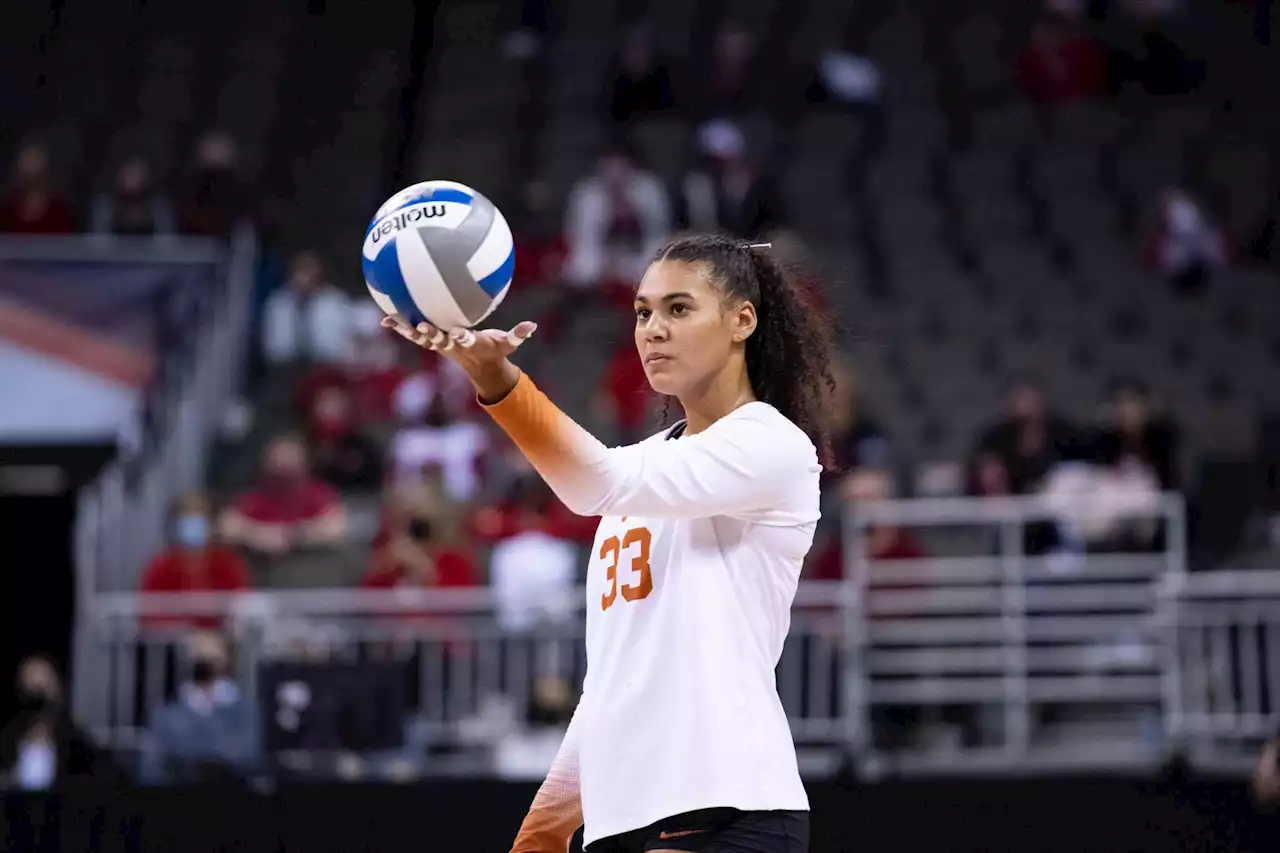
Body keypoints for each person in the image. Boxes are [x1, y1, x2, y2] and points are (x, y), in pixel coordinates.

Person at [383, 232, 833, 853]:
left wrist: (496, 378)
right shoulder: (645, 467)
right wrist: (543, 831)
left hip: (727, 807)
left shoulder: (771, 443)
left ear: (741, 320)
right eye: (643, 312)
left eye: (679, 309)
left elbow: (594, 482)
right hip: (624, 819)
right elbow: (613, 681)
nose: (652, 329)